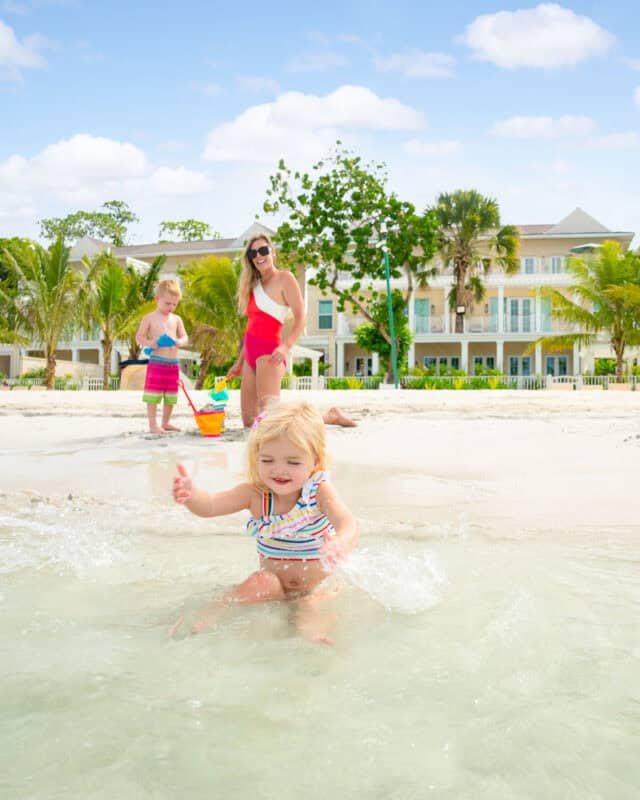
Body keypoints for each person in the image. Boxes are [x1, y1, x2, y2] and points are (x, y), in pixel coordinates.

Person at [172, 400, 358, 644]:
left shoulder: (319, 492)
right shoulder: (255, 494)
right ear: (256, 456)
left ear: (315, 462)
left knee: (315, 602)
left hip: (319, 584)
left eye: (293, 462)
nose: (279, 470)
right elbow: (211, 505)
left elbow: (348, 522)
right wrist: (192, 496)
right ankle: (216, 611)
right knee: (262, 581)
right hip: (276, 587)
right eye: (268, 460)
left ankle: (314, 635)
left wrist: (341, 543)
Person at [227, 233, 355, 428]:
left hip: (270, 354)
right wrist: (239, 362)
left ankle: (329, 416)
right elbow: (250, 328)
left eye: (263, 250)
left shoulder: (285, 278)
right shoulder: (253, 286)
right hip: (250, 356)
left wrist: (286, 347)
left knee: (271, 420)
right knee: (250, 422)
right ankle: (326, 416)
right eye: (253, 253)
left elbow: (301, 317)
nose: (258, 255)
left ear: (273, 252)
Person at [136, 279, 189, 434]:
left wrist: (179, 342)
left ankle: (165, 422)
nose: (171, 307)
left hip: (173, 363)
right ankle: (153, 424)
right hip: (157, 362)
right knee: (153, 394)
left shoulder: (176, 319)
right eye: (167, 303)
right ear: (157, 300)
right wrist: (151, 343)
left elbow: (185, 337)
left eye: (174, 304)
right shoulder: (149, 318)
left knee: (171, 394)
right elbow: (139, 337)